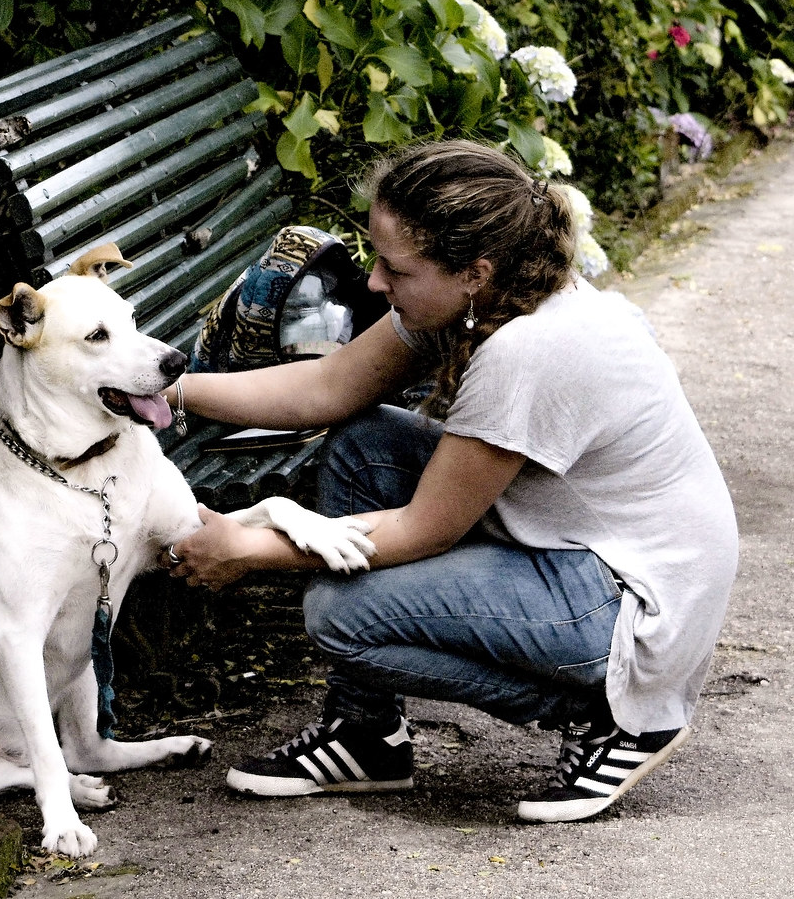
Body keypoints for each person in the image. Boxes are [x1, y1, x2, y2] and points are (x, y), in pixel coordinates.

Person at [160, 138, 738, 823]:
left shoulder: (528, 349)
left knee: (341, 615)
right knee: (365, 443)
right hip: (573, 547)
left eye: (393, 267)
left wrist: (247, 548)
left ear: (472, 270)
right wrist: (165, 389)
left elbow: (424, 529)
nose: (375, 282)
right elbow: (324, 388)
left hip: (630, 600)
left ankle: (616, 712)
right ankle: (364, 734)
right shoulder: (476, 299)